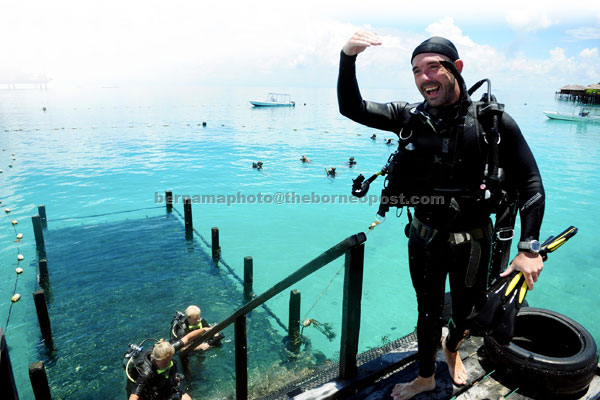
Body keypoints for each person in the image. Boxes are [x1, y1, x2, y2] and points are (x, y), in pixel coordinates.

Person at [338, 31, 545, 400]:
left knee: (465, 312)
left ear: (457, 68)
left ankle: (451, 351)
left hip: (475, 243)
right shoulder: (409, 117)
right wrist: (347, 57)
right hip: (425, 238)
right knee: (427, 309)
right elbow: (351, 107)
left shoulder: (492, 121)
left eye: (432, 67)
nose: (423, 78)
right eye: (416, 71)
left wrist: (529, 248)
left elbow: (531, 183)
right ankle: (425, 377)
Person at [128, 327, 210, 400]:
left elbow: (187, 338)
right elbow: (134, 395)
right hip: (154, 392)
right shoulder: (147, 372)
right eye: (164, 362)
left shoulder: (168, 350)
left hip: (168, 386)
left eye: (169, 360)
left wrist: (203, 329)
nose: (167, 364)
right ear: (156, 360)